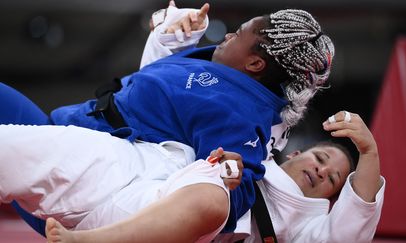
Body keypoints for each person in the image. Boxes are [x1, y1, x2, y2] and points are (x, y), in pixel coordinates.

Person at [1, 1, 336, 234]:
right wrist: (170, 36)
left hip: (80, 174)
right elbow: (154, 93)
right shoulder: (224, 72)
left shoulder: (245, 113)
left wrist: (231, 173)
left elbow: (234, 189)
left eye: (240, 32)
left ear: (255, 64)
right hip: (64, 130)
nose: (229, 34)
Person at [29, 110, 383, 243]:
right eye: (321, 159)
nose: (322, 171)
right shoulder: (253, 149)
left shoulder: (310, 225)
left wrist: (369, 152)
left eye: (332, 179)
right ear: (294, 153)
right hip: (126, 191)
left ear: (329, 199)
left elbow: (349, 228)